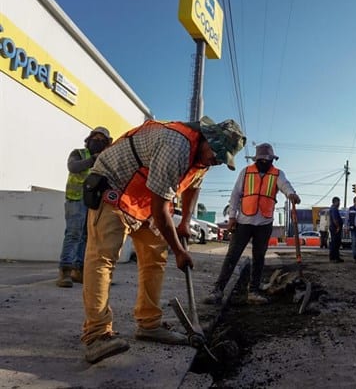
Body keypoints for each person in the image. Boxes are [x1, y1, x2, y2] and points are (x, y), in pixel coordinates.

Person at [80, 116, 246, 364]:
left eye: (223, 158)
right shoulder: (176, 145)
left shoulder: (202, 159)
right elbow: (160, 210)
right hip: (113, 189)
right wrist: (179, 250)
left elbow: (192, 187)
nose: (217, 161)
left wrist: (185, 222)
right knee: (102, 259)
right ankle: (96, 335)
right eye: (217, 154)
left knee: (154, 259)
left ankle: (148, 324)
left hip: (141, 202)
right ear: (207, 139)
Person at [204, 143, 300, 305]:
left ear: (271, 160)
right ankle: (217, 290)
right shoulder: (246, 172)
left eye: (267, 160)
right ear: (256, 159)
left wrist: (292, 194)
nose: (264, 162)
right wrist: (232, 217)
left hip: (264, 222)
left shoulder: (277, 174)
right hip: (243, 222)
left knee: (259, 258)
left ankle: (253, 291)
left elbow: (285, 186)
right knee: (232, 256)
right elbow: (235, 195)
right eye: (261, 160)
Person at [57, 126, 112, 288]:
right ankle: (65, 271)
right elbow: (73, 167)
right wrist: (93, 159)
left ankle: (78, 270)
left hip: (94, 201)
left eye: (102, 140)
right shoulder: (78, 153)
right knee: (74, 234)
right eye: (96, 139)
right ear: (88, 140)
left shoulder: (106, 158)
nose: (98, 142)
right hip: (76, 200)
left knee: (86, 237)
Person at [328, 196, 343, 263]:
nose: (339, 203)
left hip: (333, 228)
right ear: (335, 202)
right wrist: (338, 227)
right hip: (335, 228)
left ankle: (333, 257)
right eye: (338, 202)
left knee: (335, 243)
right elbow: (335, 219)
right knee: (336, 243)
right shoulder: (334, 209)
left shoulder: (333, 208)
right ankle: (335, 258)